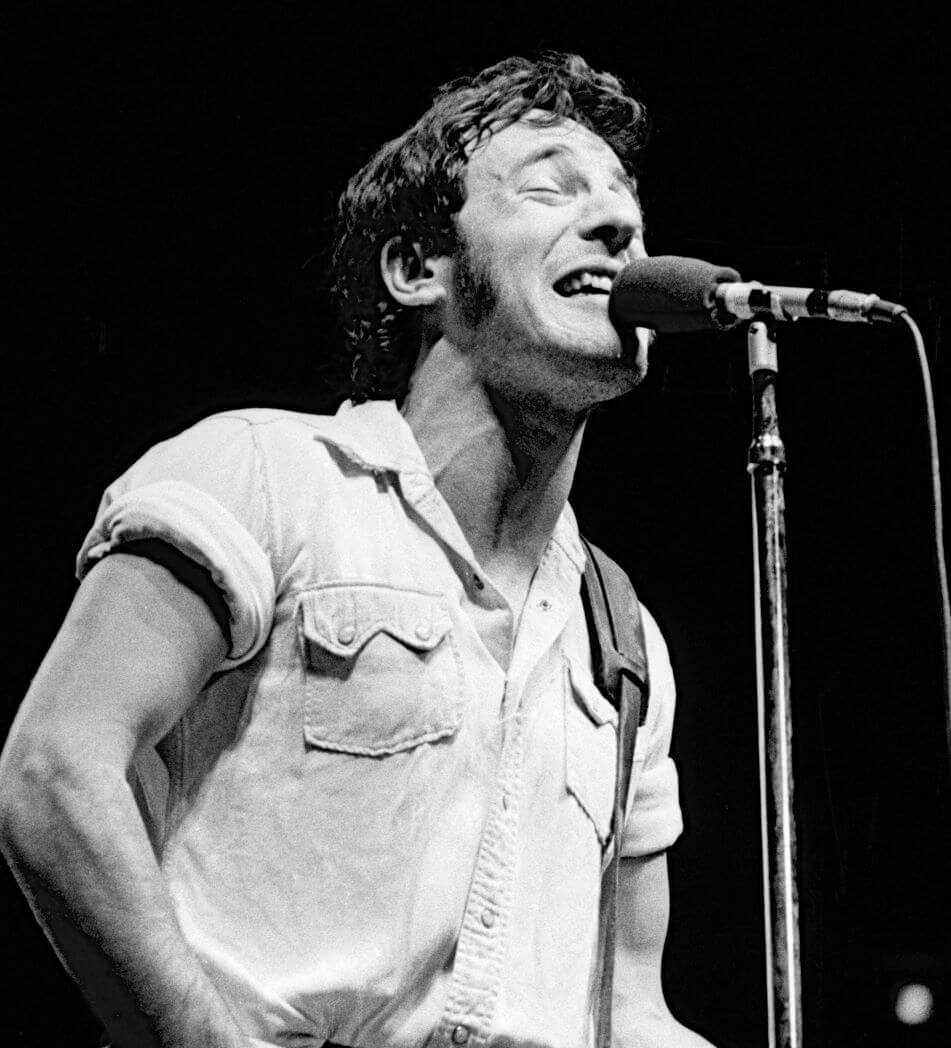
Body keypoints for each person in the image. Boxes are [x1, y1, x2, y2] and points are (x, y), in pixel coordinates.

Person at [0, 53, 716, 1048]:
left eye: (626, 199)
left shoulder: (621, 636)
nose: (619, 225)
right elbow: (56, 772)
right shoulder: (263, 475)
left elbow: (632, 1011)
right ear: (418, 270)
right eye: (549, 185)